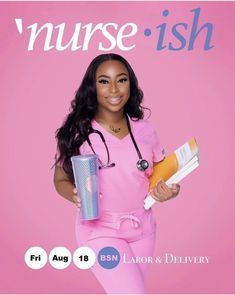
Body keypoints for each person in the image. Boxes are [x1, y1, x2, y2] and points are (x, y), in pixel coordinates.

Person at [54, 53, 180, 294]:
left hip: (143, 229)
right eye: (104, 81)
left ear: (130, 84)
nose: (113, 88)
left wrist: (169, 191)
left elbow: (161, 175)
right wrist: (73, 193)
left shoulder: (145, 130)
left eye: (121, 80)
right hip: (99, 230)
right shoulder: (77, 132)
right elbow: (59, 178)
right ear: (92, 87)